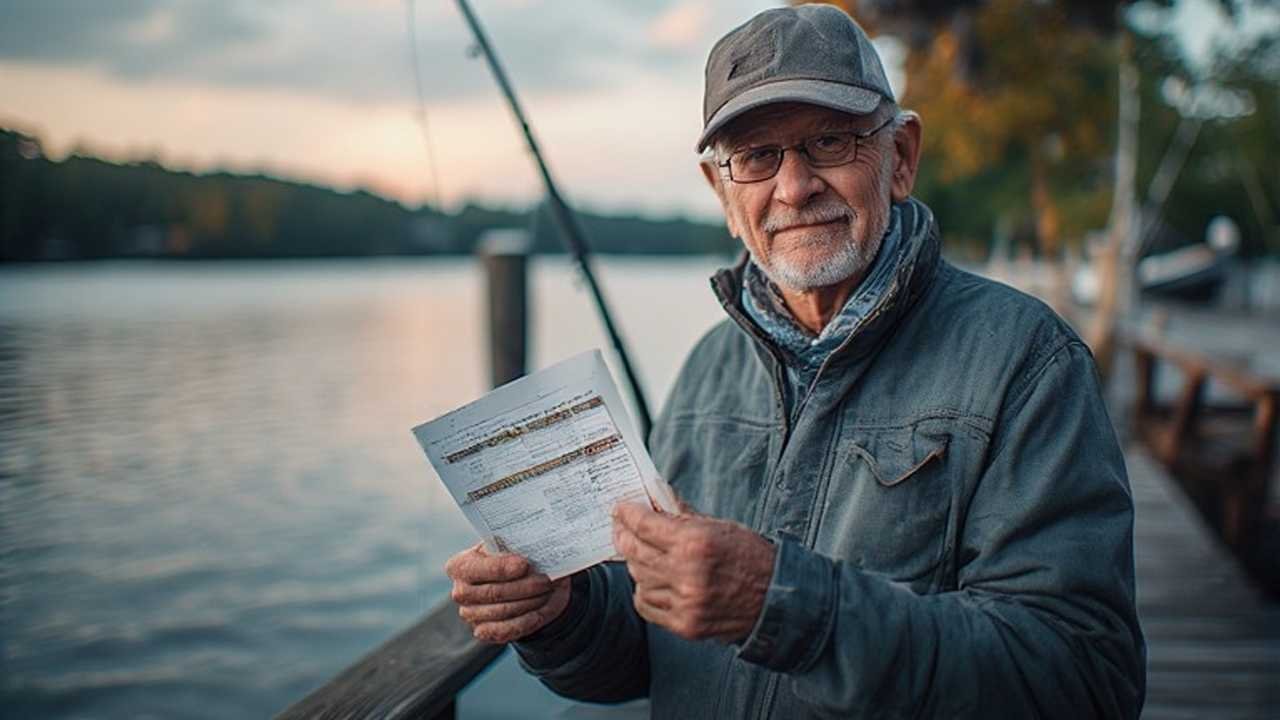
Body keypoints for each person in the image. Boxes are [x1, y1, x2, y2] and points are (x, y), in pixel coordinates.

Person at [444, 5, 1146, 717]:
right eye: (755, 156)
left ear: (900, 157)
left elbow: (1084, 680)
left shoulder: (1026, 360)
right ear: (722, 191)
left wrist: (783, 604)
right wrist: (561, 615)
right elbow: (646, 656)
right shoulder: (705, 373)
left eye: (830, 141)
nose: (794, 186)